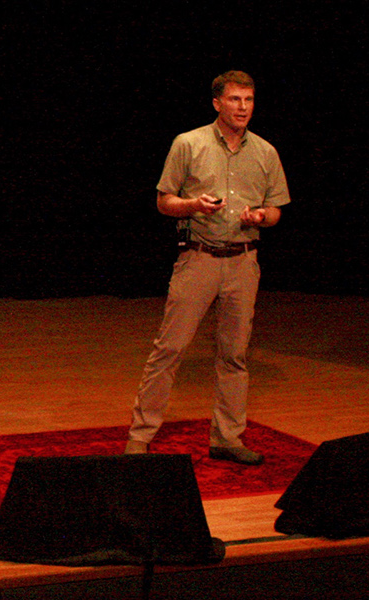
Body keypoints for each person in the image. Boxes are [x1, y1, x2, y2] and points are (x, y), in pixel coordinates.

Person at [125, 70, 290, 465]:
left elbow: (277, 211)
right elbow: (165, 201)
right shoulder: (189, 143)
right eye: (235, 100)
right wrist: (193, 205)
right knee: (170, 348)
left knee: (234, 354)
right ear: (217, 103)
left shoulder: (265, 152)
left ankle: (228, 437)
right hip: (199, 257)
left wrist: (261, 216)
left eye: (249, 100)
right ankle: (139, 436)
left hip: (243, 261)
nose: (243, 108)